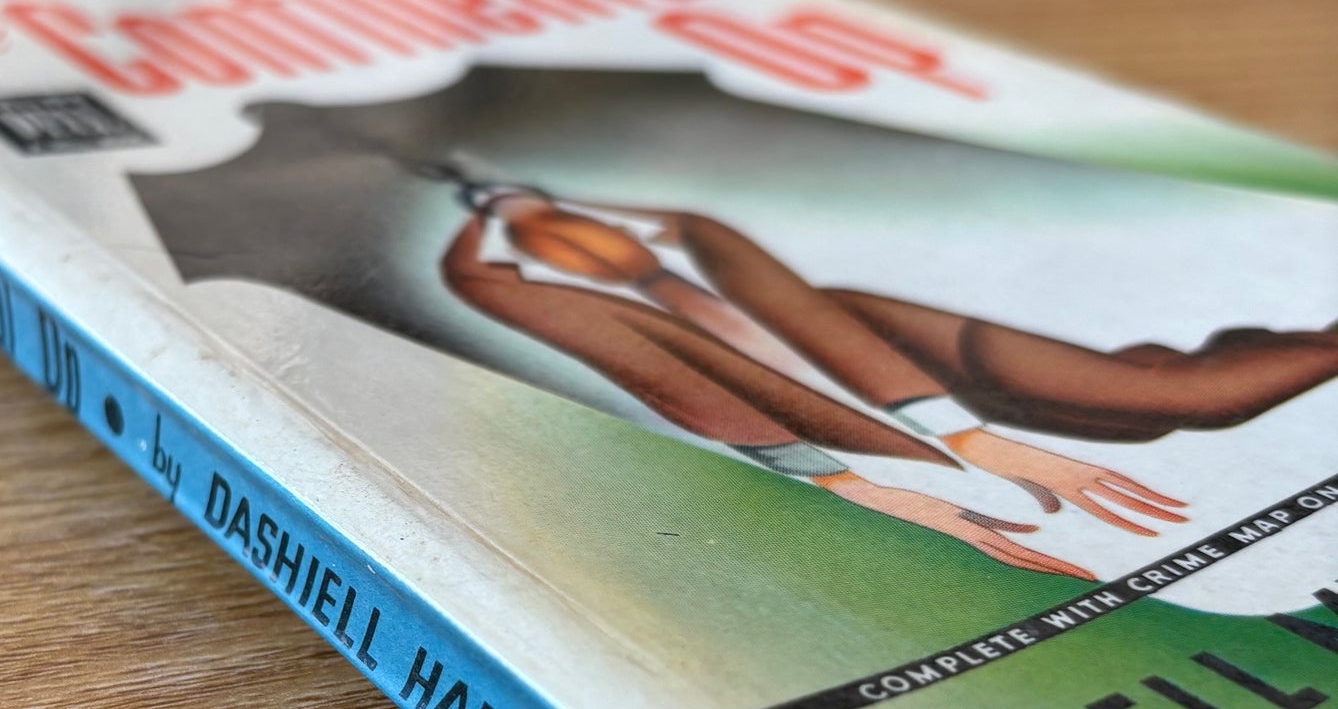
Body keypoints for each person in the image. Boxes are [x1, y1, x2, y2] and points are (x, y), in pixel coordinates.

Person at [441, 186, 1338, 581]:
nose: (580, 240)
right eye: (544, 240)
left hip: (906, 349)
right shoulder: (582, 315)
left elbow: (689, 224)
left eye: (576, 221)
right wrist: (855, 485)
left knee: (1185, 403)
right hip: (871, 403)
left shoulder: (709, 247)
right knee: (1134, 423)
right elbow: (688, 396)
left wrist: (973, 438)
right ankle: (1166, 363)